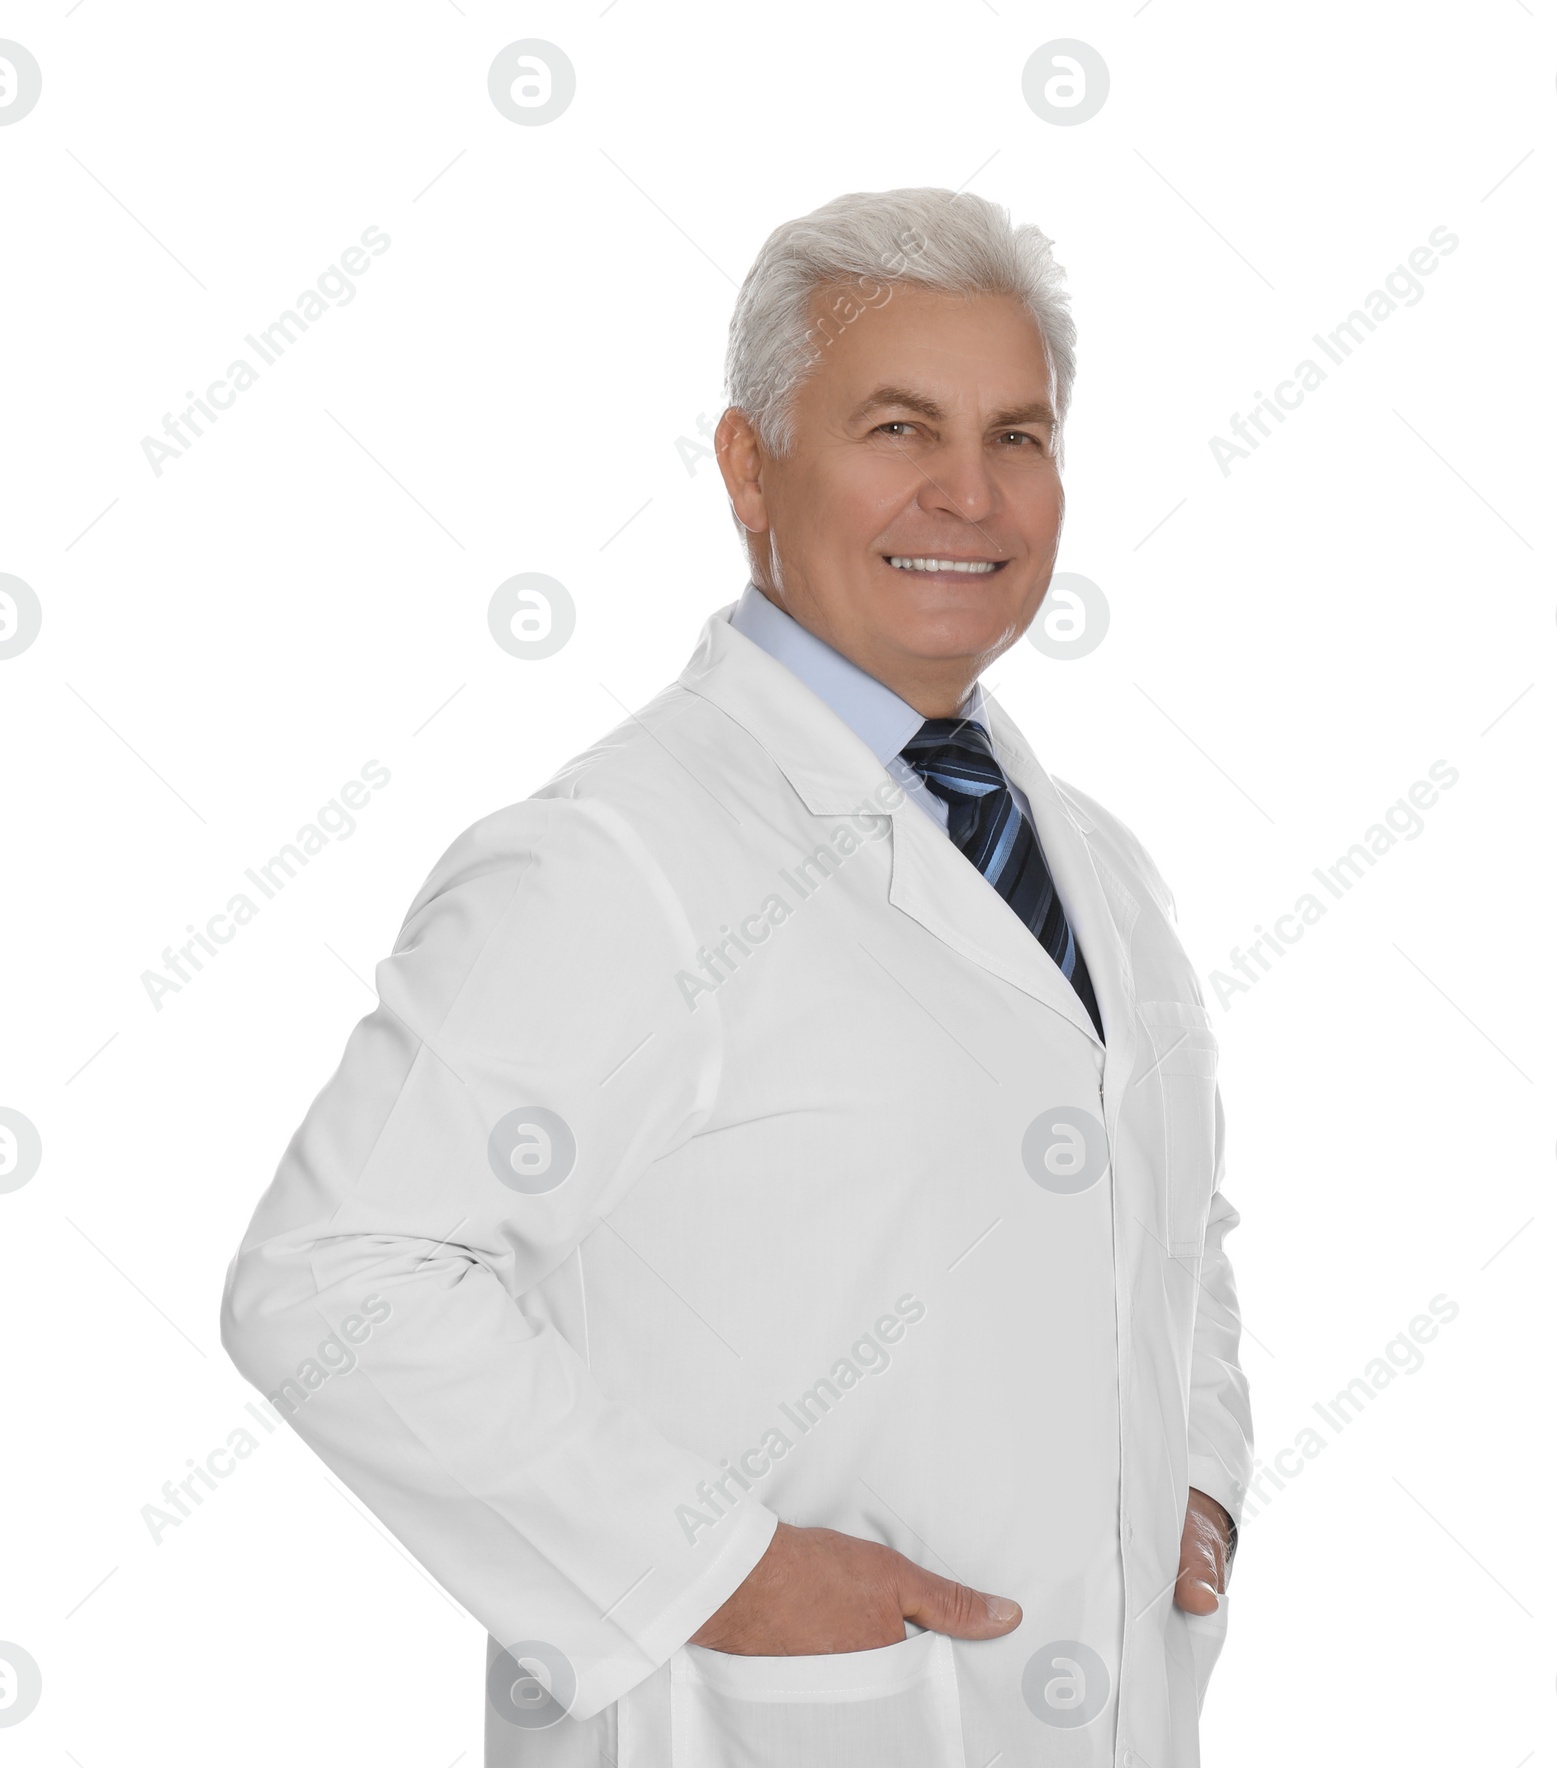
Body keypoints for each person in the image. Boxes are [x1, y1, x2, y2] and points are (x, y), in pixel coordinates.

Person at [221, 186, 1252, 1768]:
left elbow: (1168, 1215)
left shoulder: (1092, 862)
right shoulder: (613, 860)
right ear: (749, 469)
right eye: (899, 428)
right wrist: (720, 1573)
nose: (968, 495)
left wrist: (1200, 1475)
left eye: (1019, 438)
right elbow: (333, 1279)